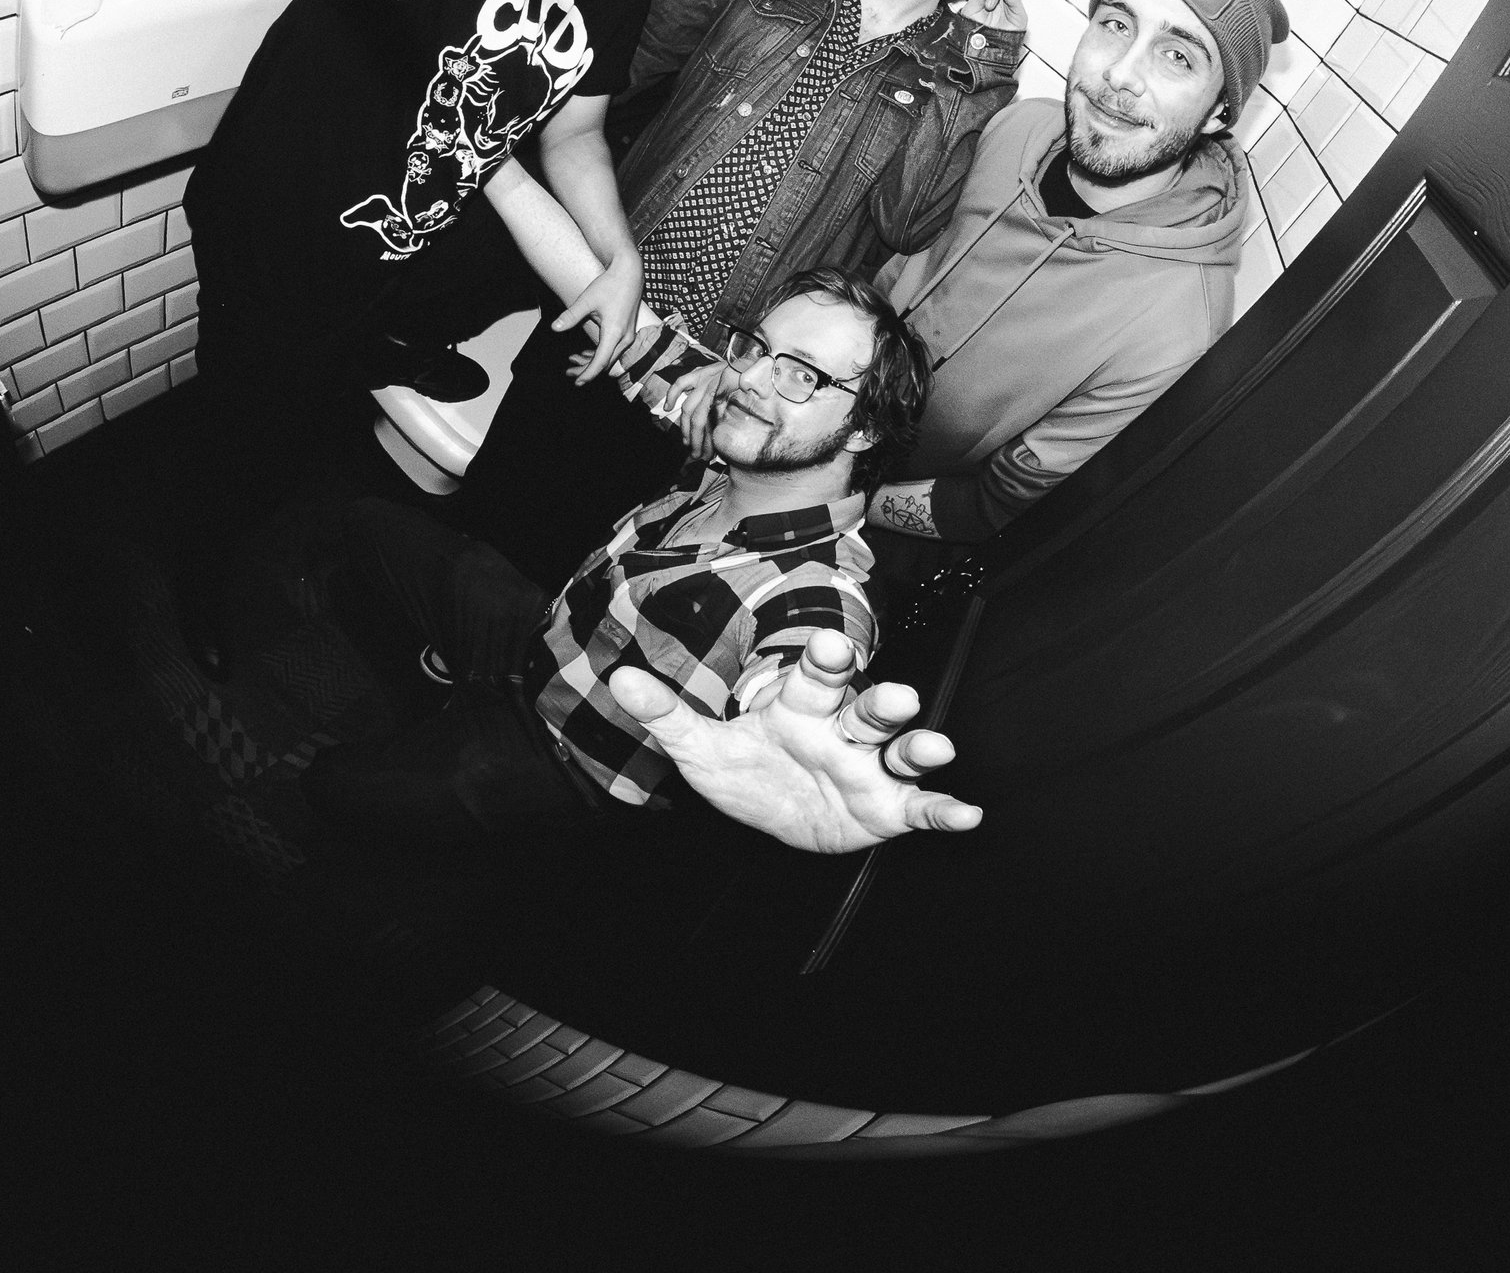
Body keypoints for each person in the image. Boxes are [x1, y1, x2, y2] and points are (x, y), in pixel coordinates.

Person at [179, 0, 798, 564]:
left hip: (379, 264)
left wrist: (616, 254)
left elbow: (576, 127)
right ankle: (195, 563)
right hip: (273, 231)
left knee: (293, 426)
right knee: (232, 431)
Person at [440, 0, 1031, 590]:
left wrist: (980, 65)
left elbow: (909, 220)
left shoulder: (956, 75)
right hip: (605, 301)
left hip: (719, 382)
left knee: (584, 561)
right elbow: (611, 63)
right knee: (489, 503)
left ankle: (505, 681)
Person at [207, 273, 981, 857]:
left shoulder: (816, 595)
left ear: (866, 432)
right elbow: (607, 297)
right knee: (372, 525)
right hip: (550, 644)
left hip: (568, 761)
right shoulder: (743, 441)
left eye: (803, 375)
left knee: (330, 788)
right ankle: (449, 679)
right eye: (758, 349)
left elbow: (803, 663)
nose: (749, 378)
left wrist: (797, 728)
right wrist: (506, 140)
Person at [858, 0, 1291, 547]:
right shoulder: (1019, 128)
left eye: (1178, 56)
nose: (1120, 75)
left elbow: (989, 502)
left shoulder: (1175, 328)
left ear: (1222, 109)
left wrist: (842, 499)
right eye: (1116, 25)